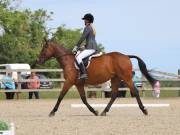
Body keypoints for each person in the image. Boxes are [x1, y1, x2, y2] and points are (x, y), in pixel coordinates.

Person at [72, 13, 100, 80]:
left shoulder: (87, 27)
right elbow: (90, 39)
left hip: (91, 48)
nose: (84, 21)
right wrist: (83, 46)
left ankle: (84, 73)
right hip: (92, 47)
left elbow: (82, 38)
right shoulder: (92, 28)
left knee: (78, 57)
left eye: (84, 20)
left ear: (87, 20)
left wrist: (76, 46)